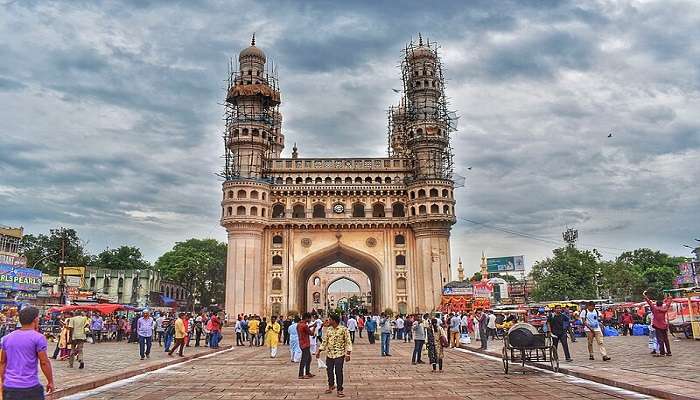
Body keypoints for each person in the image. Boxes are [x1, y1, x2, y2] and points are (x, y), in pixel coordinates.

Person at [0, 306, 54, 400]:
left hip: (9, 387)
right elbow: (44, 362)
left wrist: (3, 381)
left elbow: (3, 362)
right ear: (36, 319)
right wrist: (50, 381)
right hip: (30, 387)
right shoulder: (38, 338)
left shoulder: (6, 338)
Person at [316, 314, 352, 398]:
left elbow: (348, 341)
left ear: (334, 321)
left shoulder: (344, 329)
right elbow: (325, 341)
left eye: (330, 320)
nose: (328, 321)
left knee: (338, 371)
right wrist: (319, 351)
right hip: (330, 354)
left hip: (340, 354)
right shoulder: (329, 330)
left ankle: (340, 389)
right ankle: (331, 385)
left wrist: (348, 354)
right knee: (329, 370)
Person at [644, 291, 673, 356]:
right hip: (664, 325)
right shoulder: (664, 309)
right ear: (662, 304)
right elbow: (668, 304)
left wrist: (645, 297)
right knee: (666, 339)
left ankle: (662, 352)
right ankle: (669, 352)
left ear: (656, 304)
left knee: (660, 339)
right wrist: (670, 298)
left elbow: (650, 303)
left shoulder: (655, 309)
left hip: (657, 326)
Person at [297, 312, 316, 379]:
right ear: (307, 318)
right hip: (305, 344)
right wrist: (314, 327)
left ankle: (307, 372)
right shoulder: (304, 326)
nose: (310, 320)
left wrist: (311, 326)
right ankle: (301, 374)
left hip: (301, 343)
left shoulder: (299, 324)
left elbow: (305, 329)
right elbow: (311, 333)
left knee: (308, 358)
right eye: (309, 318)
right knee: (304, 359)